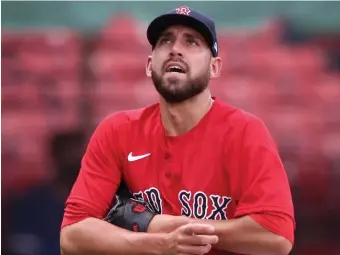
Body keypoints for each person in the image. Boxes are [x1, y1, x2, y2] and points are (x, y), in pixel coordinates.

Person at [60, 6, 295, 255]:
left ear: (214, 67)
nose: (175, 49)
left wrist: (166, 225)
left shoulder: (245, 132)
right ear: (150, 65)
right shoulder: (117, 131)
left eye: (192, 42)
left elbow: (276, 235)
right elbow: (72, 236)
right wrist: (160, 241)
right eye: (165, 41)